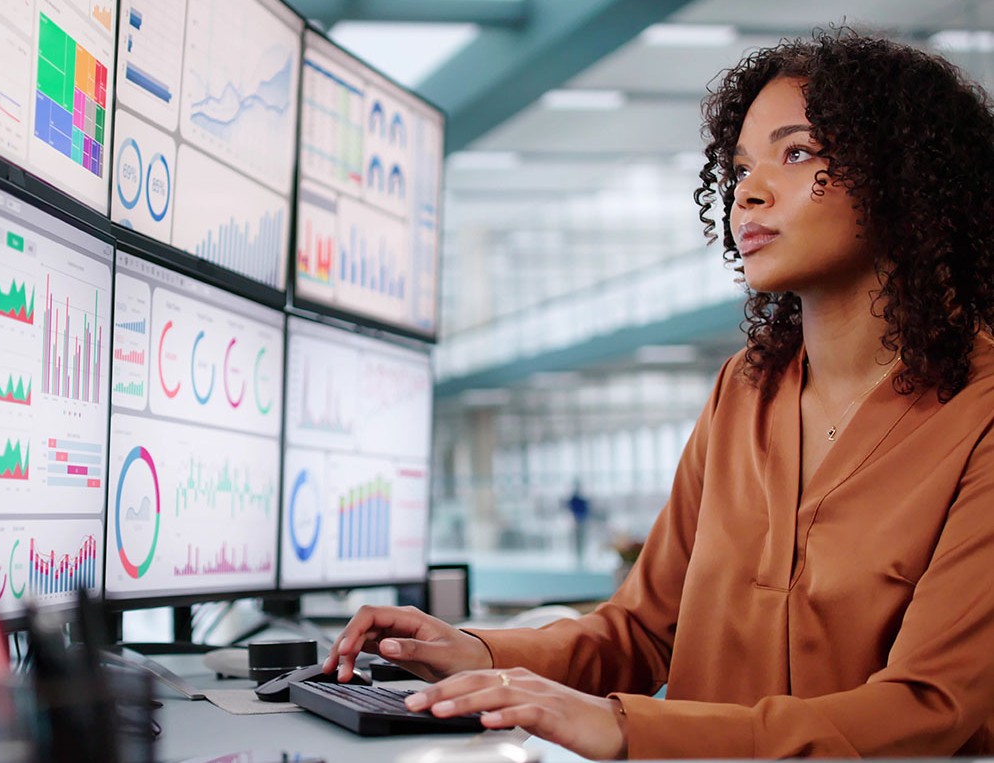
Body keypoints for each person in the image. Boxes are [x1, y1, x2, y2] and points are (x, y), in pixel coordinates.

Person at [321, 28, 994, 758]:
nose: (749, 190)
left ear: (905, 176)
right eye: (740, 166)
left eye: (796, 153)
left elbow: (929, 709)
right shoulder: (744, 390)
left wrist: (625, 724)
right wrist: (479, 653)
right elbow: (643, 628)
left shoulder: (979, 415)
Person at [566, 479, 590, 565]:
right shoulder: (573, 499)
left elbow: (586, 509)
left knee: (582, 539)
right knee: (576, 539)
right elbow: (570, 508)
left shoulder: (581, 500)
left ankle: (582, 554)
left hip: (582, 521)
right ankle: (576, 555)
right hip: (575, 522)